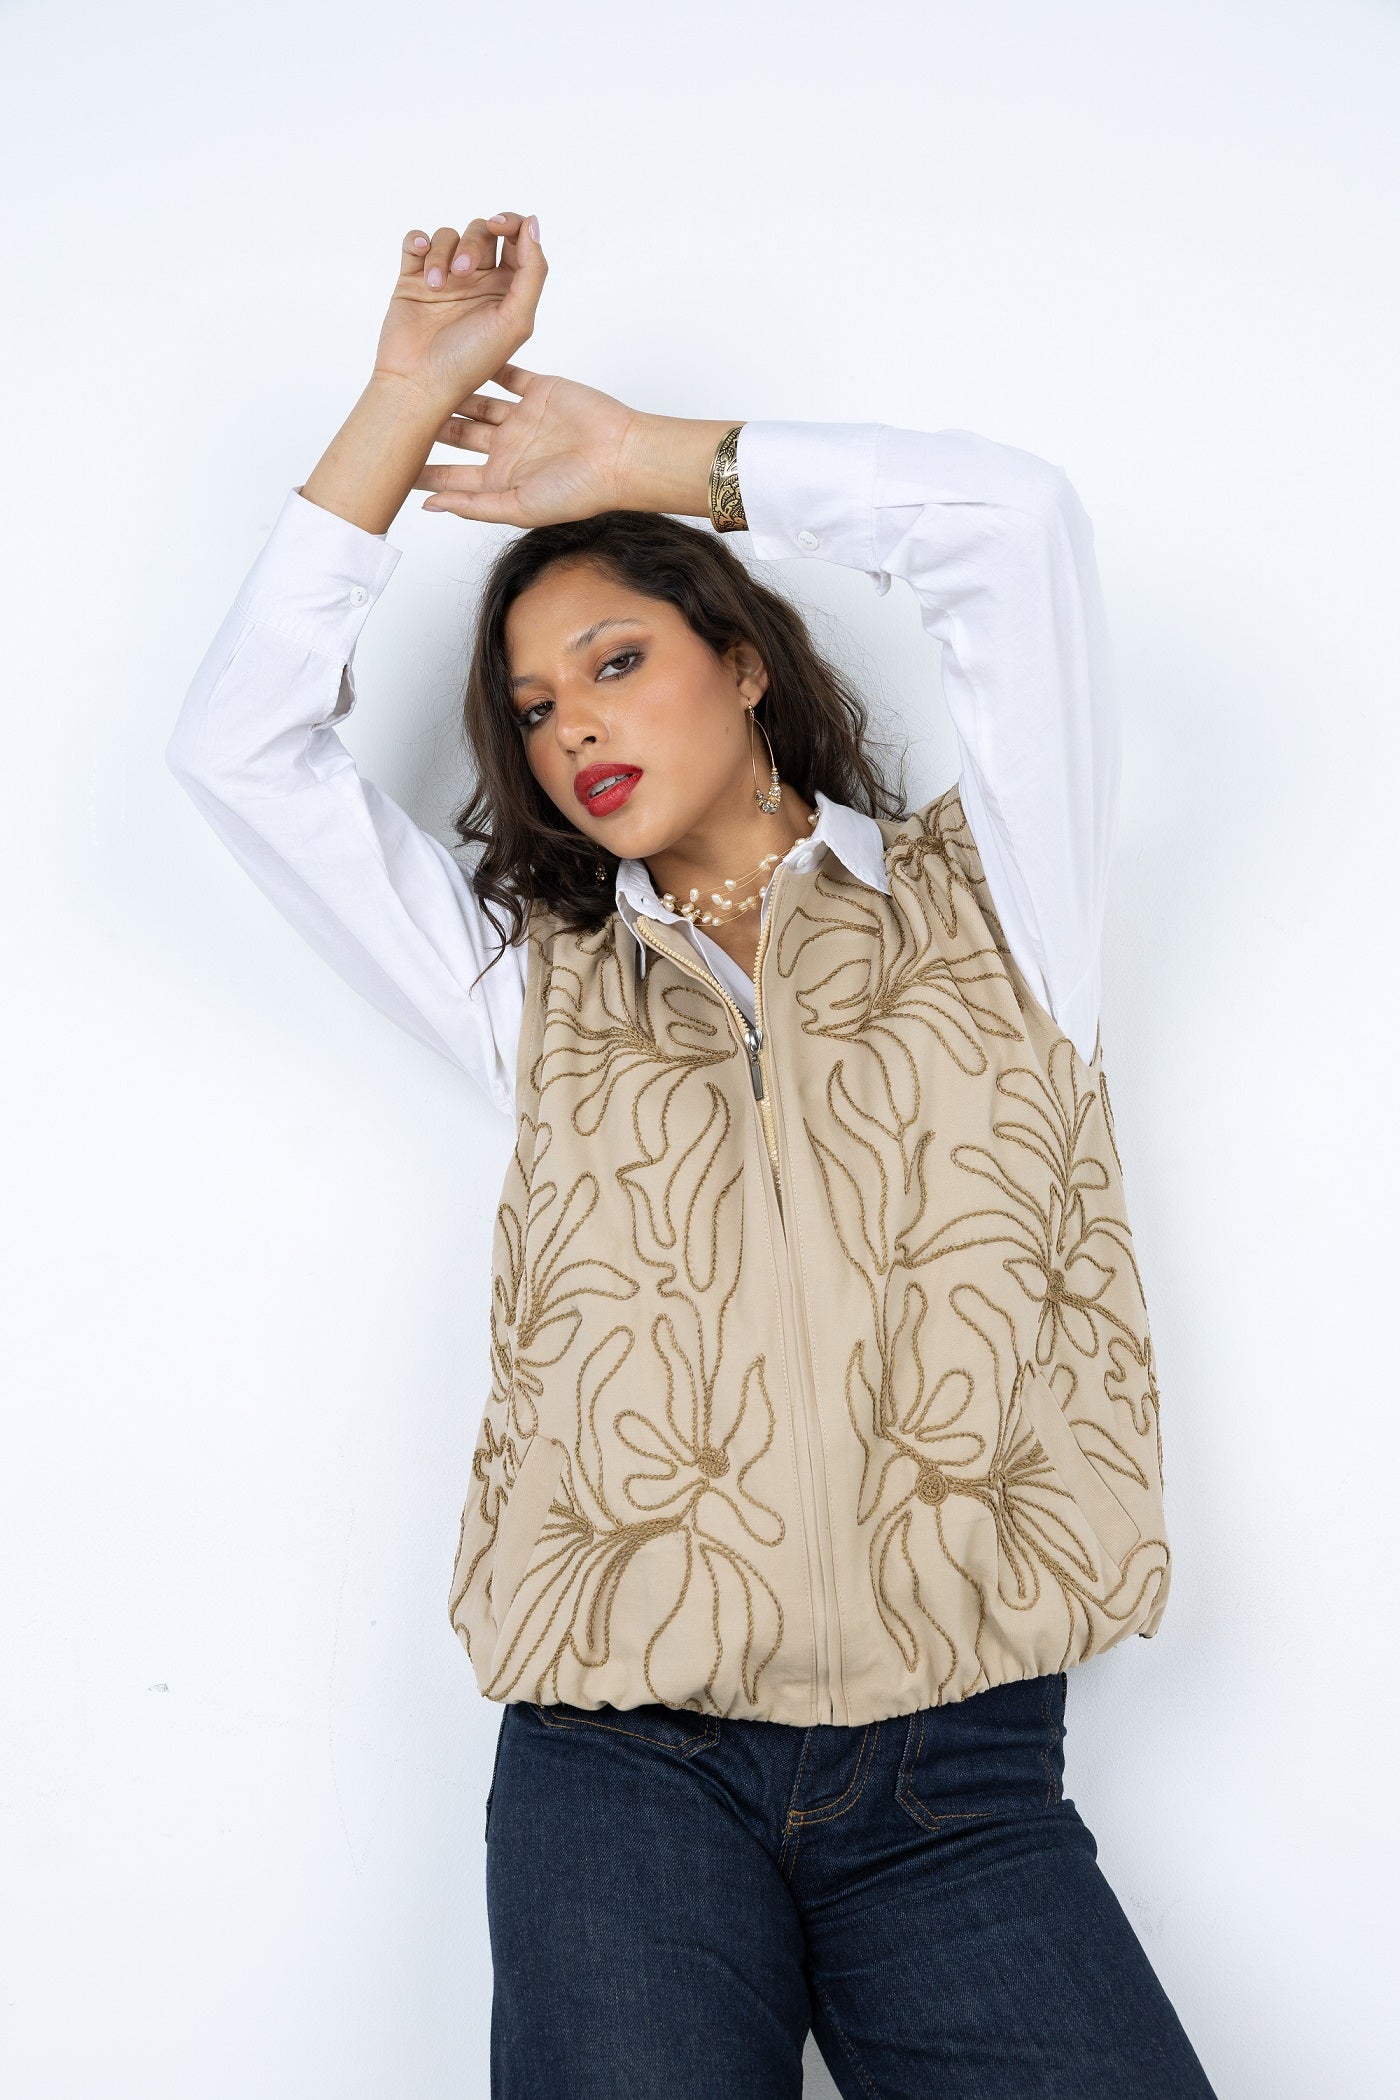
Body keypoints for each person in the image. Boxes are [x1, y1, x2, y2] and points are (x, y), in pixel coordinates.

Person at [165, 211, 1218, 2099]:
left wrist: (644, 460)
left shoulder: (1004, 903)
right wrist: (404, 402)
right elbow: (244, 748)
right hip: (617, 1766)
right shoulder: (534, 988)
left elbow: (1015, 527)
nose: (573, 727)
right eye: (537, 708)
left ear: (743, 663)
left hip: (958, 1779)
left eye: (618, 659)